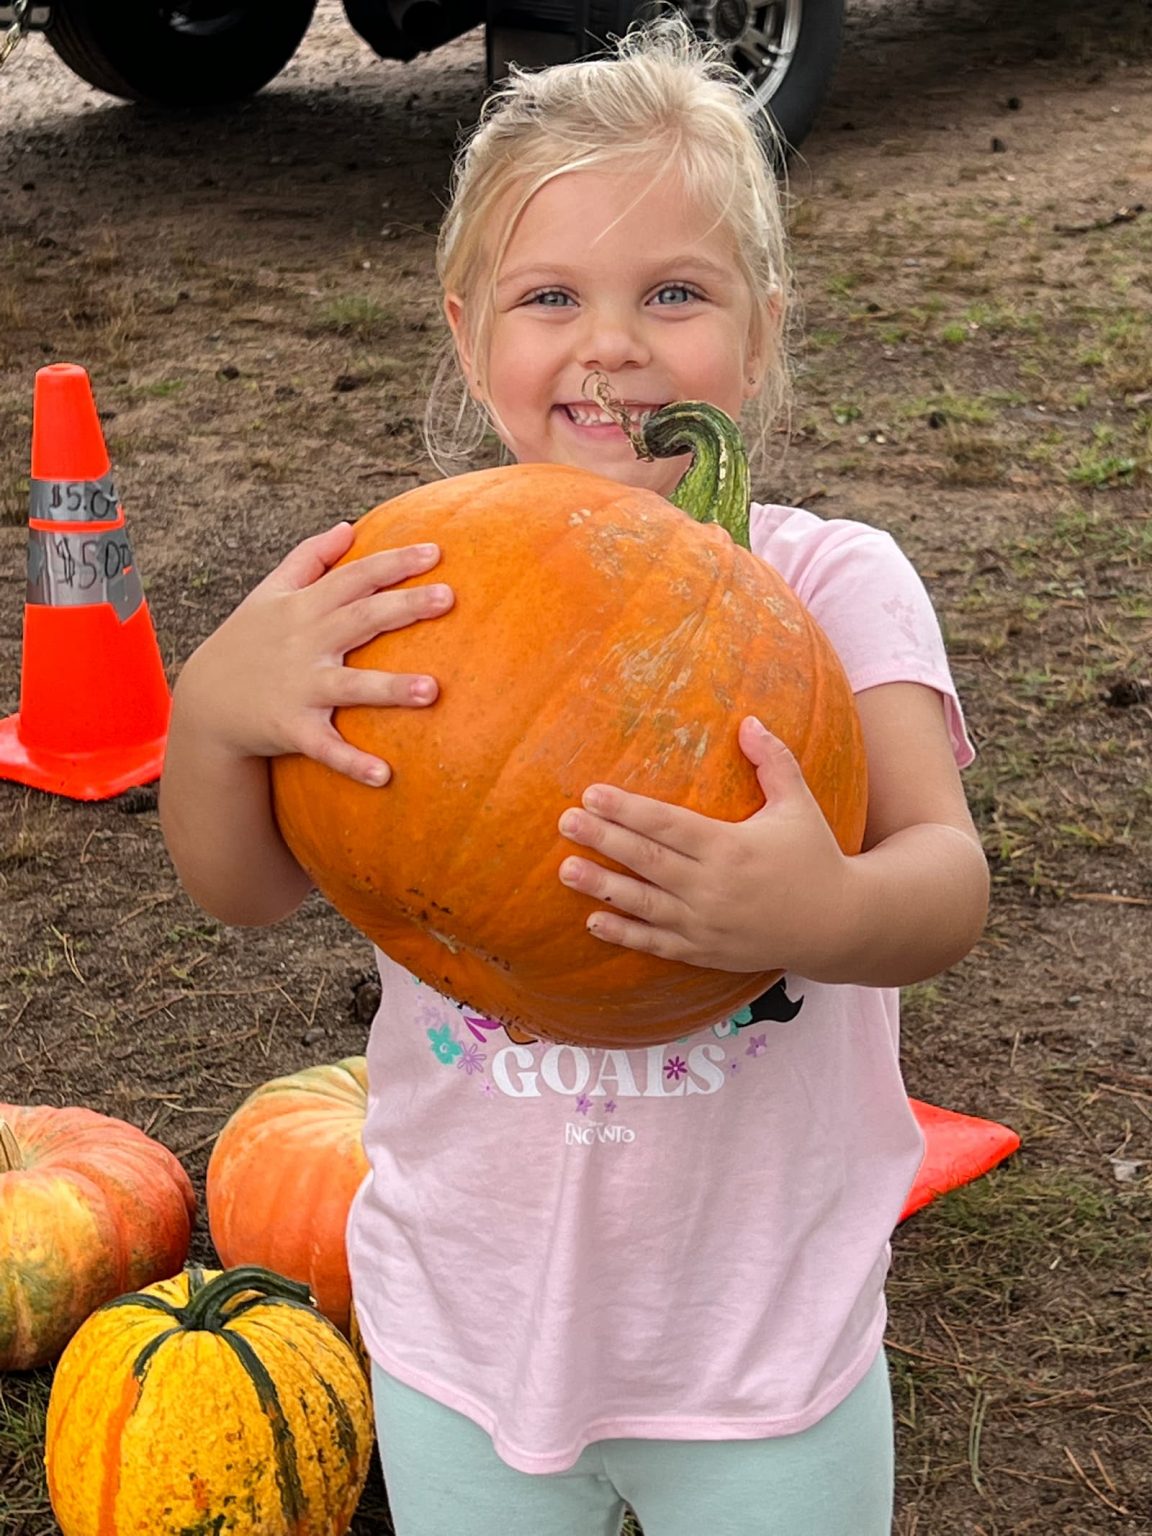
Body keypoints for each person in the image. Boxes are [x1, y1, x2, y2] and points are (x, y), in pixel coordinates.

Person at [160, 17, 989, 1536]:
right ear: (473, 338)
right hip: (459, 1327)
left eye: (674, 294)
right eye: (554, 298)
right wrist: (216, 716)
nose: (612, 345)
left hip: (754, 1349)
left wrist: (823, 906)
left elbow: (945, 878)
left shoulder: (834, 585)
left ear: (759, 332)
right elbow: (247, 886)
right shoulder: (409, 580)